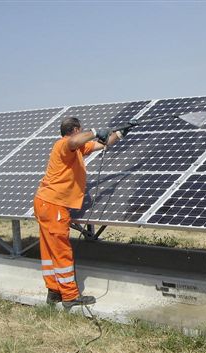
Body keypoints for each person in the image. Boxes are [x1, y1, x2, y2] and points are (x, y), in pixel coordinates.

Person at [34, 117, 132, 309]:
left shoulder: (77, 149)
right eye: (81, 131)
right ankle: (70, 296)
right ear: (76, 129)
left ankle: (54, 292)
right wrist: (95, 131)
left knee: (50, 250)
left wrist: (121, 133)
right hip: (53, 205)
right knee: (61, 250)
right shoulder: (63, 144)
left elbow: (102, 144)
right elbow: (75, 140)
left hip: (46, 203)